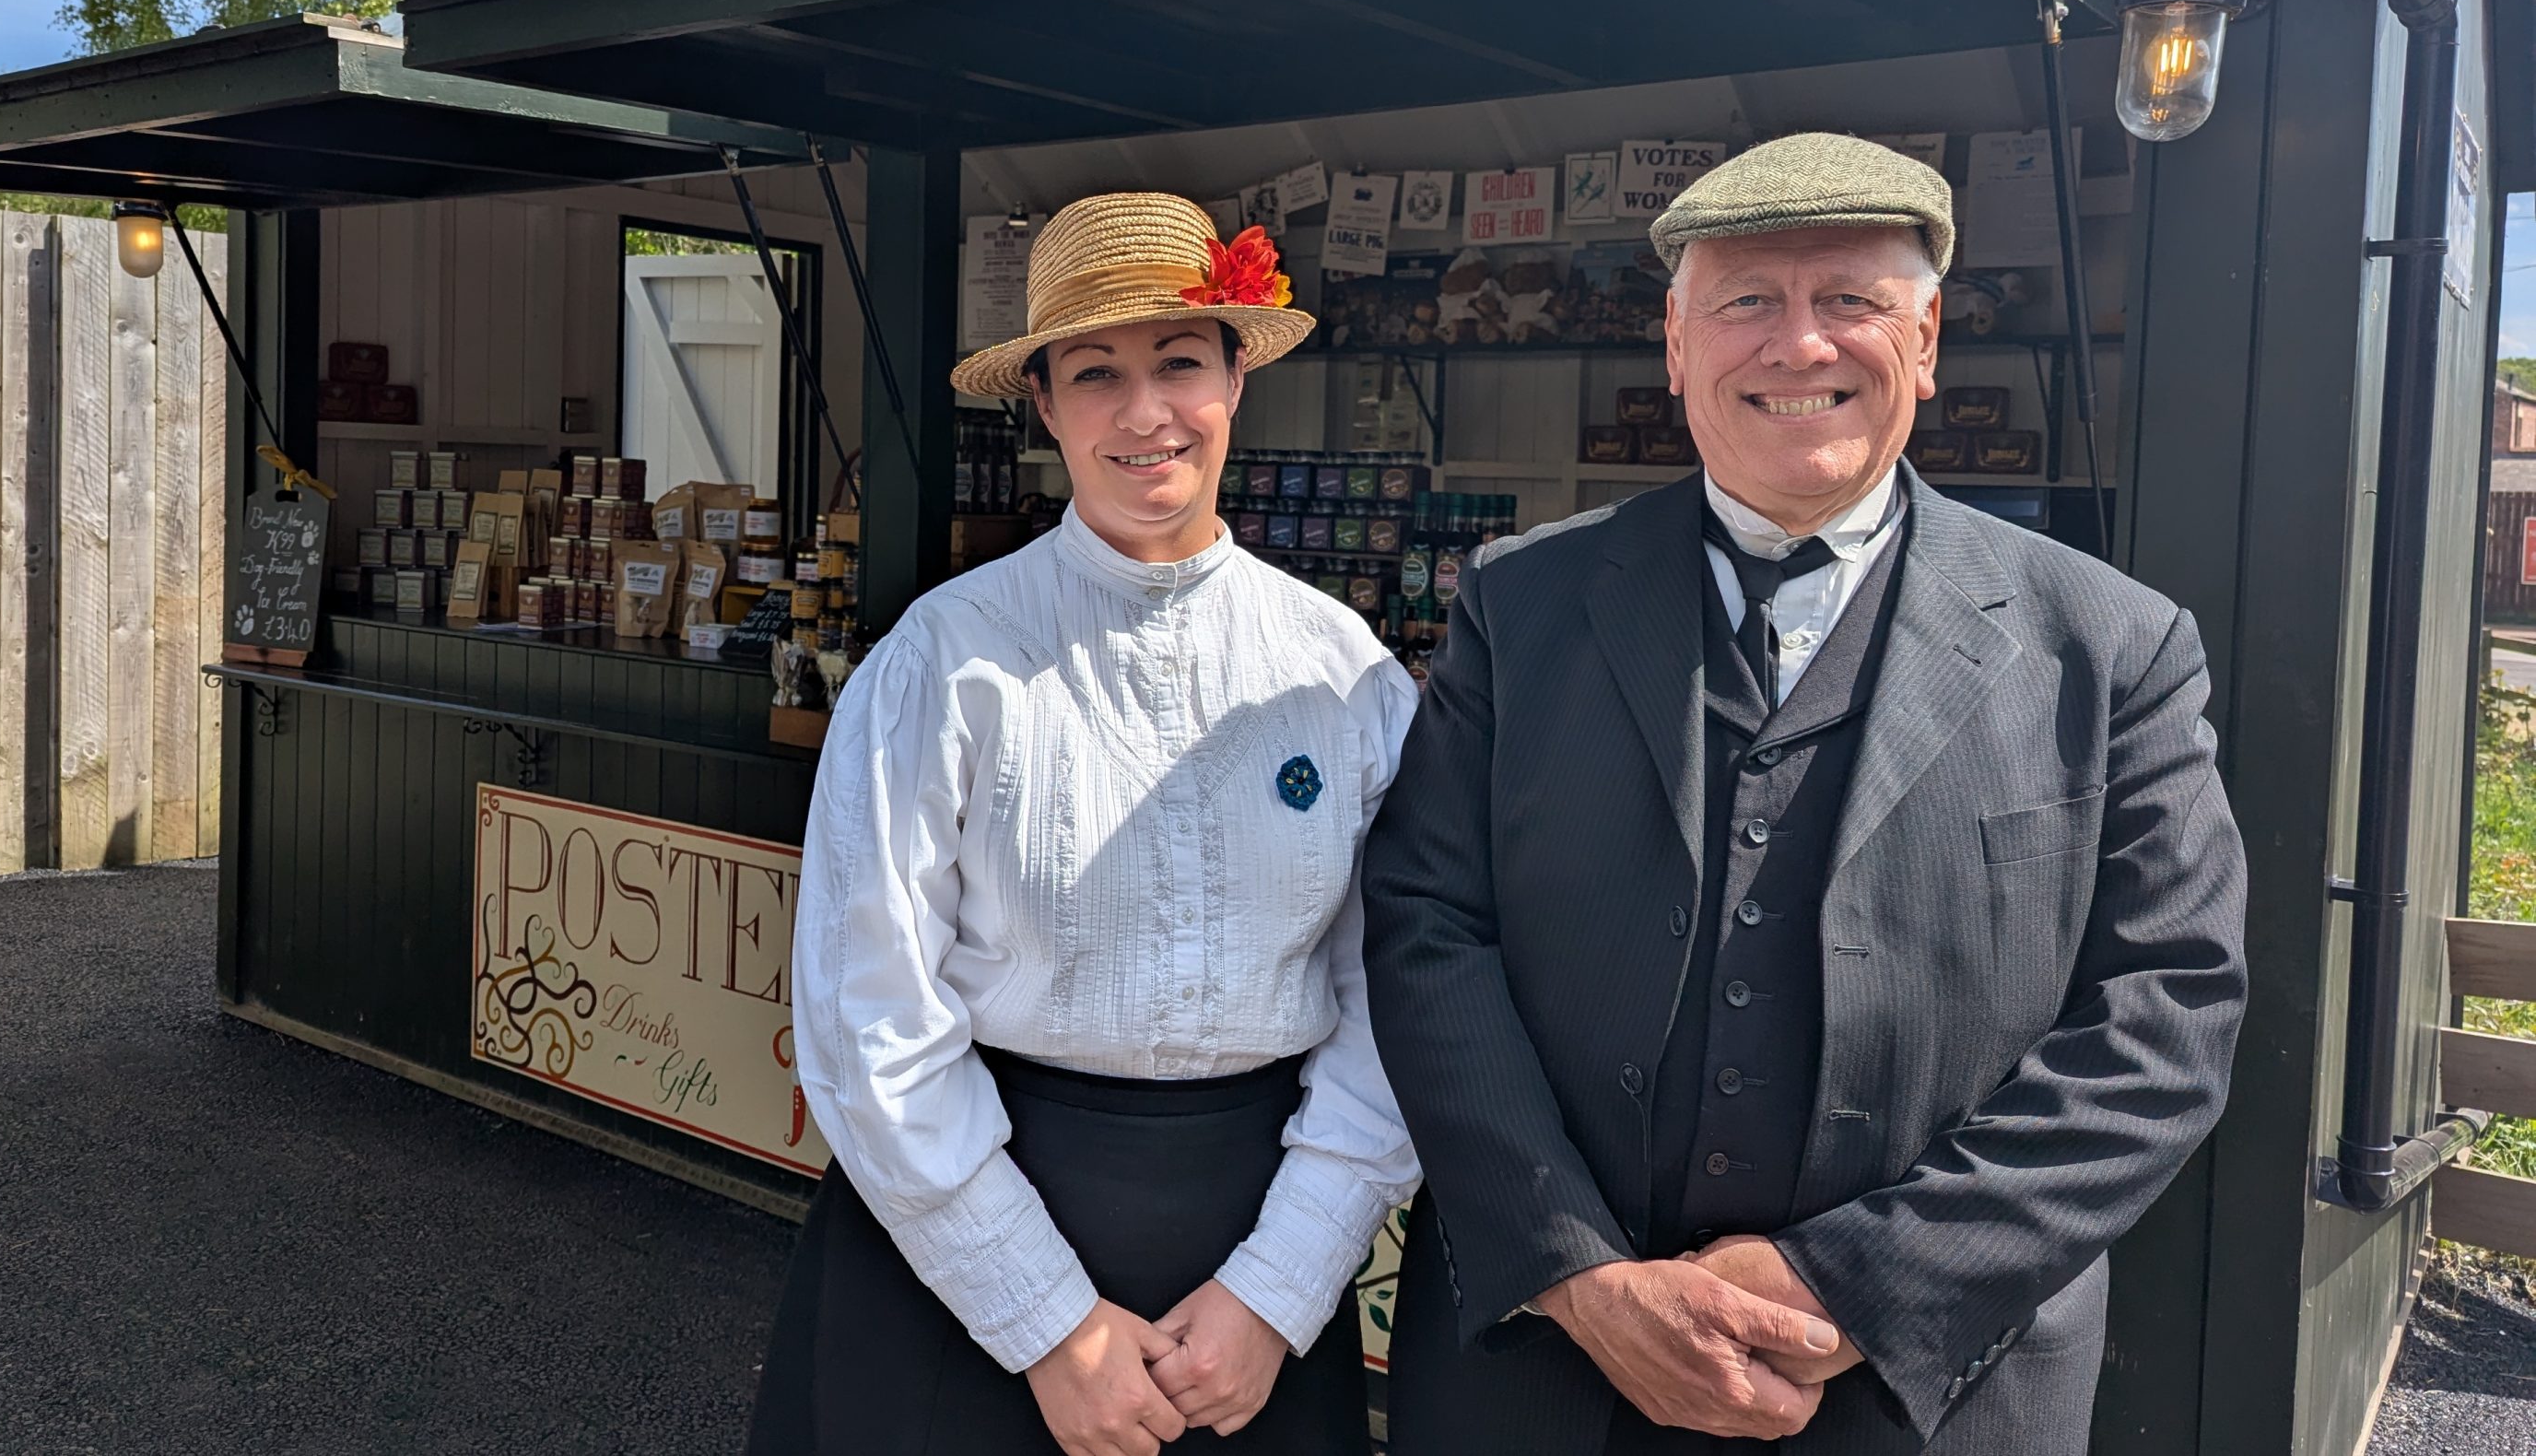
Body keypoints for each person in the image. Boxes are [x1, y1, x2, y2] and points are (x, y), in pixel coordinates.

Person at [1362, 134, 2248, 1452]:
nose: (1799, 346)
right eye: (1744, 303)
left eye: (1849, 300)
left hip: (1930, 1389)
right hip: (1551, 1378)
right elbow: (1427, 930)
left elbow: (2163, 1016)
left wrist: (1854, 1286)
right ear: (1673, 346)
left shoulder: (2109, 644)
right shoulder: (1518, 601)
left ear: (1928, 337)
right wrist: (1576, 1272)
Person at [748, 192, 1420, 1456]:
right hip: (967, 1231)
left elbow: (1390, 997)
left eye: (1178, 362)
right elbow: (866, 1018)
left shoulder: (1342, 673)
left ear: (1236, 379)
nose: (1144, 412)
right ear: (1045, 405)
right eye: (1096, 374)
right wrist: (1049, 1324)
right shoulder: (943, 661)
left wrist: (1277, 1292)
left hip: (1253, 1239)